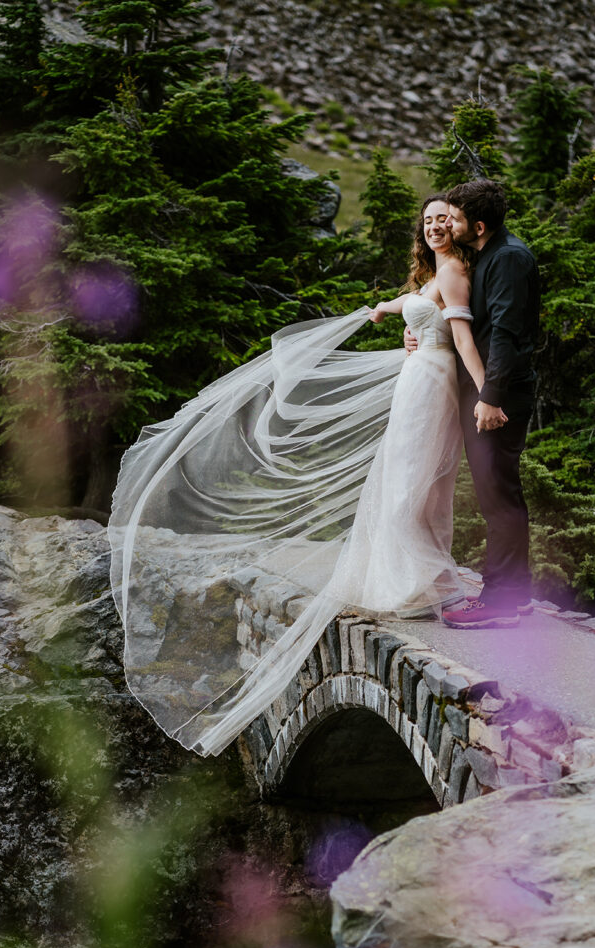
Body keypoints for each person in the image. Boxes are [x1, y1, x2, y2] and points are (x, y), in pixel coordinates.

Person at [109, 194, 484, 757]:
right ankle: (421, 581)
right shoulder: (434, 274)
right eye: (427, 220)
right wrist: (388, 311)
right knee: (407, 482)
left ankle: (428, 581)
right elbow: (419, 304)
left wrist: (485, 389)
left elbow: (459, 333)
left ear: (458, 227)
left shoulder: (455, 270)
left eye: (442, 219)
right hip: (417, 379)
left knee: (413, 485)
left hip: (433, 383)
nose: (434, 227)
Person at [406, 181, 540, 629]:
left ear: (476, 225)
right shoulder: (487, 254)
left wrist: (489, 397)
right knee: (500, 491)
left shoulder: (508, 259)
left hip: (498, 396)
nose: (447, 223)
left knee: (496, 495)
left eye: (455, 218)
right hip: (491, 391)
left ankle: (500, 600)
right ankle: (515, 595)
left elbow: (506, 334)